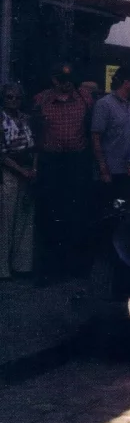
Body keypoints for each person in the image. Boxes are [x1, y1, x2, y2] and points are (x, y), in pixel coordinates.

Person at [32, 63, 94, 279]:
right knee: (49, 215)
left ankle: (74, 269)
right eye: (62, 80)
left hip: (76, 163)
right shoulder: (41, 100)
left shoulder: (85, 98)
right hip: (51, 163)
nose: (67, 84)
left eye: (70, 80)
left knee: (75, 215)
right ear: (54, 80)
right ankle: (48, 270)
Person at [91, 66, 130, 207]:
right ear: (126, 82)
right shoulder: (104, 104)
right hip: (111, 170)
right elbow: (96, 138)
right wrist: (103, 168)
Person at [0, 82, 36, 279]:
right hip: (10, 171)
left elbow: (35, 145)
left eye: (17, 97)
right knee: (5, 221)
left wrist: (33, 169)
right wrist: (21, 170)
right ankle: (2, 269)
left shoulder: (26, 119)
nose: (13, 101)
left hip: (28, 170)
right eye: (9, 97)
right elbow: (1, 153)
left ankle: (21, 266)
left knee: (25, 220)